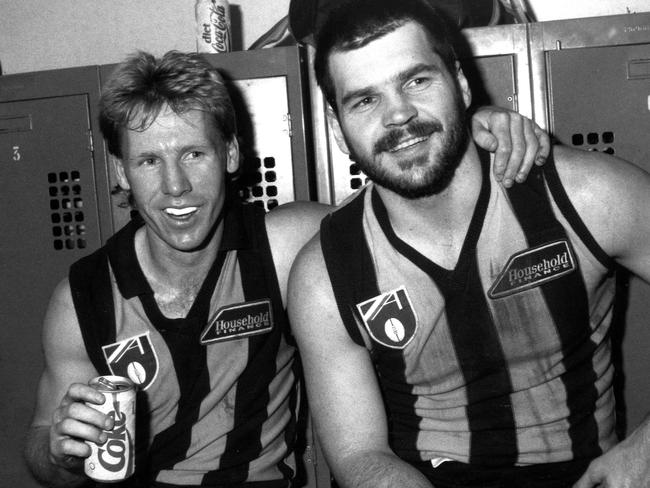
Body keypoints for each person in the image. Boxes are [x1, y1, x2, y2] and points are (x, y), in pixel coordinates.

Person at [22, 49, 546, 488]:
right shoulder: (84, 297)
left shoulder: (284, 246)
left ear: (230, 155)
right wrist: (61, 449)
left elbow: (410, 210)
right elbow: (43, 450)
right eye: (149, 161)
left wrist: (463, 134)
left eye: (194, 154)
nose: (175, 187)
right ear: (119, 171)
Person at [287, 1, 650, 488]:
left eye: (416, 80)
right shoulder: (324, 274)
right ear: (336, 128)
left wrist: (644, 453)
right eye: (364, 100)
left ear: (459, 83)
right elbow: (359, 455)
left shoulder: (586, 197)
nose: (398, 114)